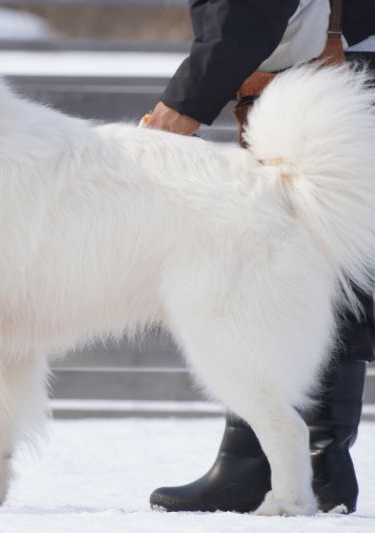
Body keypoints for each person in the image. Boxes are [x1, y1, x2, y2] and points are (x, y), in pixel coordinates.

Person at [144, 0, 375, 514]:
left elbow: (248, 12)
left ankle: (303, 464)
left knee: (315, 257)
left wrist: (180, 107)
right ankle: (284, 462)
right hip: (343, 68)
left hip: (337, 79)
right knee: (320, 259)